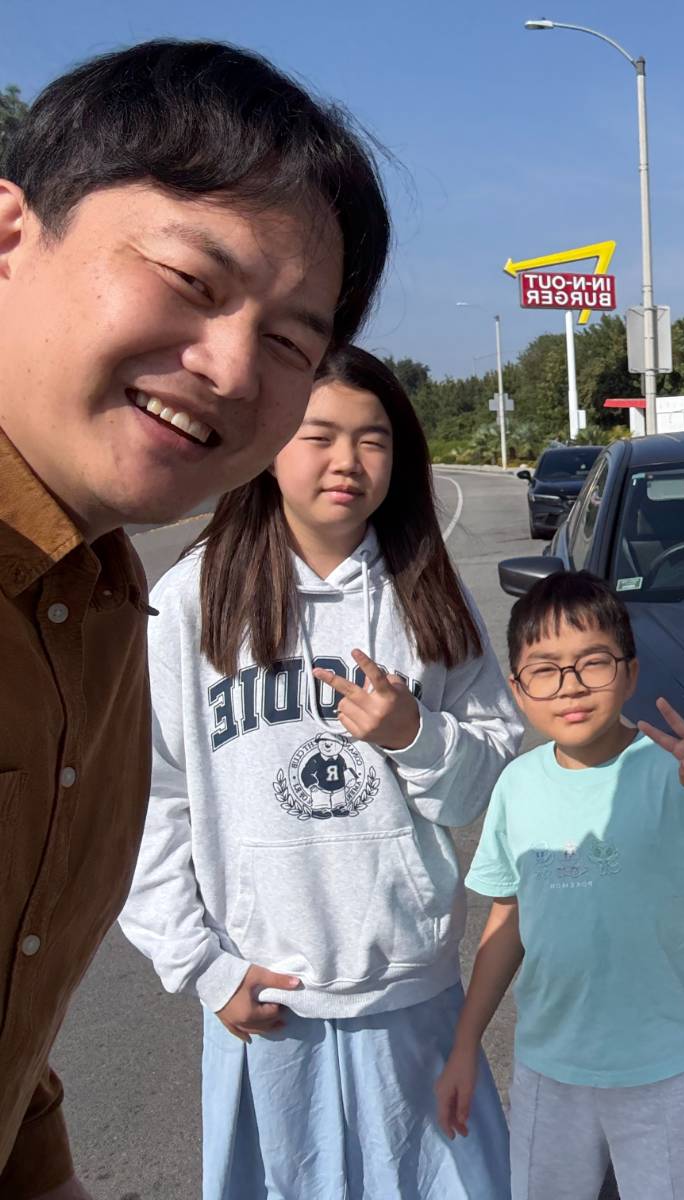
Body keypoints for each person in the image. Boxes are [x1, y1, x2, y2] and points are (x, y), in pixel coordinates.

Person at [0, 40, 389, 1199]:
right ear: (10, 236)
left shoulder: (107, 603)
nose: (227, 366)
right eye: (189, 280)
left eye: (287, 343)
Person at [119, 348, 521, 1198]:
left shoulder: (429, 595)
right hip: (266, 1001)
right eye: (319, 436)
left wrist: (416, 735)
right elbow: (144, 803)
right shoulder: (194, 601)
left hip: (410, 990)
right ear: (267, 445)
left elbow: (487, 783)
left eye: (372, 440)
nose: (347, 461)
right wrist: (205, 970)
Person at [436, 572, 684, 1200]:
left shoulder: (680, 774)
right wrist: (464, 1044)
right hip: (548, 1072)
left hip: (670, 1071)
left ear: (631, 674)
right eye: (546, 669)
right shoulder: (517, 785)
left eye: (594, 663)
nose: (572, 686)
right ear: (518, 690)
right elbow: (507, 921)